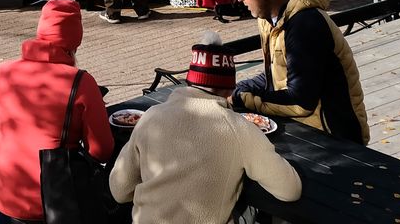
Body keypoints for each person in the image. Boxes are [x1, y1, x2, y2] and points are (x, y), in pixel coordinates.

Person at [109, 36, 301, 224]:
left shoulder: (151, 116)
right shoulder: (238, 128)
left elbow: (119, 190)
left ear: (189, 81)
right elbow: (290, 190)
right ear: (229, 91)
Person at [0, 0, 113, 224]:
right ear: (74, 43)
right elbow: (101, 150)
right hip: (53, 201)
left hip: (5, 195)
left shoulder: (1, 72)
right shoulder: (81, 82)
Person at [229, 0, 370, 142]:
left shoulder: (305, 25)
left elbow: (301, 102)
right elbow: (278, 72)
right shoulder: (271, 19)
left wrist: (242, 98)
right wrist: (239, 88)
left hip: (334, 136)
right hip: (306, 127)